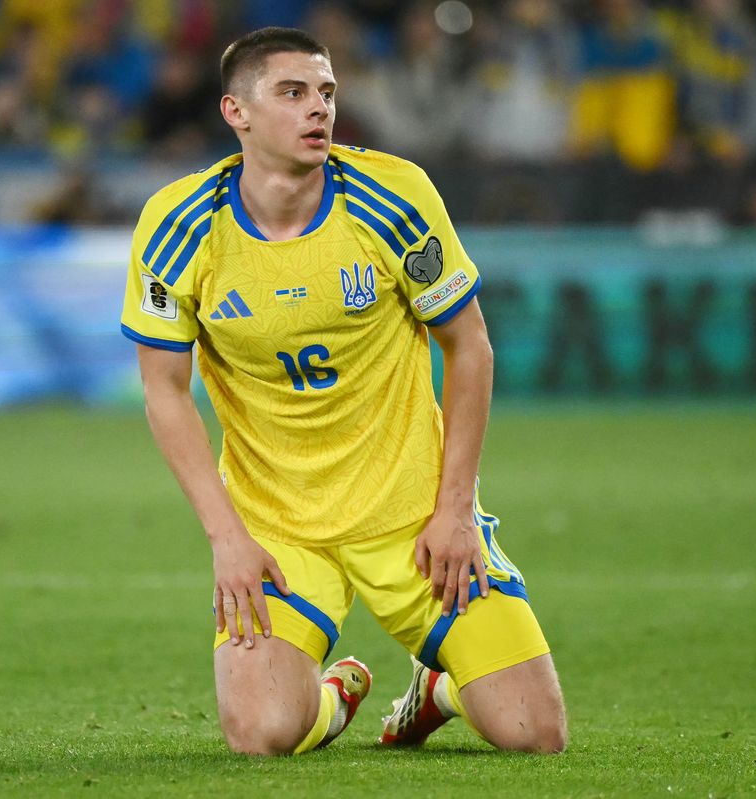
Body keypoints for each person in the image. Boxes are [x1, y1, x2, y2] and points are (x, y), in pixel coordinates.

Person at [120, 27, 567, 756]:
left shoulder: (393, 194)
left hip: (412, 518)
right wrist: (228, 539)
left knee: (533, 733)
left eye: (326, 92)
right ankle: (334, 699)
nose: (318, 108)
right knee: (261, 734)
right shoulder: (180, 224)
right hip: (279, 527)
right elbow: (164, 390)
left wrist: (455, 510)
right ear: (236, 111)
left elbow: (470, 346)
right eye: (293, 92)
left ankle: (438, 689)